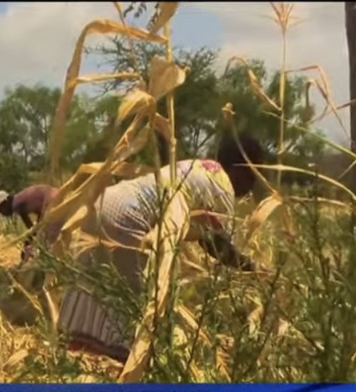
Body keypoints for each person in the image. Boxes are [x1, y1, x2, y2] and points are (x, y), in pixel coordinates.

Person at [56, 132, 267, 363]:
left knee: (93, 283)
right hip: (130, 217)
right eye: (255, 175)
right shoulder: (222, 186)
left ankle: (76, 358)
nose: (253, 185)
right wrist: (252, 268)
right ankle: (123, 369)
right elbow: (218, 246)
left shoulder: (198, 166)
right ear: (246, 168)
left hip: (103, 203)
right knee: (135, 306)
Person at [0, 184, 60, 262]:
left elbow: (32, 230)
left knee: (48, 237)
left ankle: (52, 262)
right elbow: (33, 229)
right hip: (54, 196)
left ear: (5, 203)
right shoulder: (19, 202)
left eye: (1, 210)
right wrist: (28, 243)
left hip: (51, 200)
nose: (3, 214)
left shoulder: (17, 204)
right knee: (46, 237)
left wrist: (27, 245)